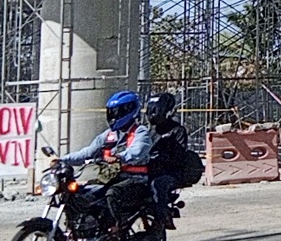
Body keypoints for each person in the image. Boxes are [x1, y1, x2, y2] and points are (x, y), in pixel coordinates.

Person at [61, 91, 152, 217]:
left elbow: (138, 151)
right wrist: (62, 160)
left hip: (134, 179)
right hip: (110, 177)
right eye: (111, 112)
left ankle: (116, 229)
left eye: (118, 112)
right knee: (79, 195)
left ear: (129, 111)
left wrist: (119, 157)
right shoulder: (109, 134)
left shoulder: (140, 131)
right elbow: (87, 152)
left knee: (112, 194)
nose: (113, 116)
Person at [144, 92, 191, 226]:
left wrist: (158, 160)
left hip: (170, 173)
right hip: (149, 170)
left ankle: (162, 217)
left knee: (157, 184)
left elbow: (179, 158)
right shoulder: (148, 131)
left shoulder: (178, 130)